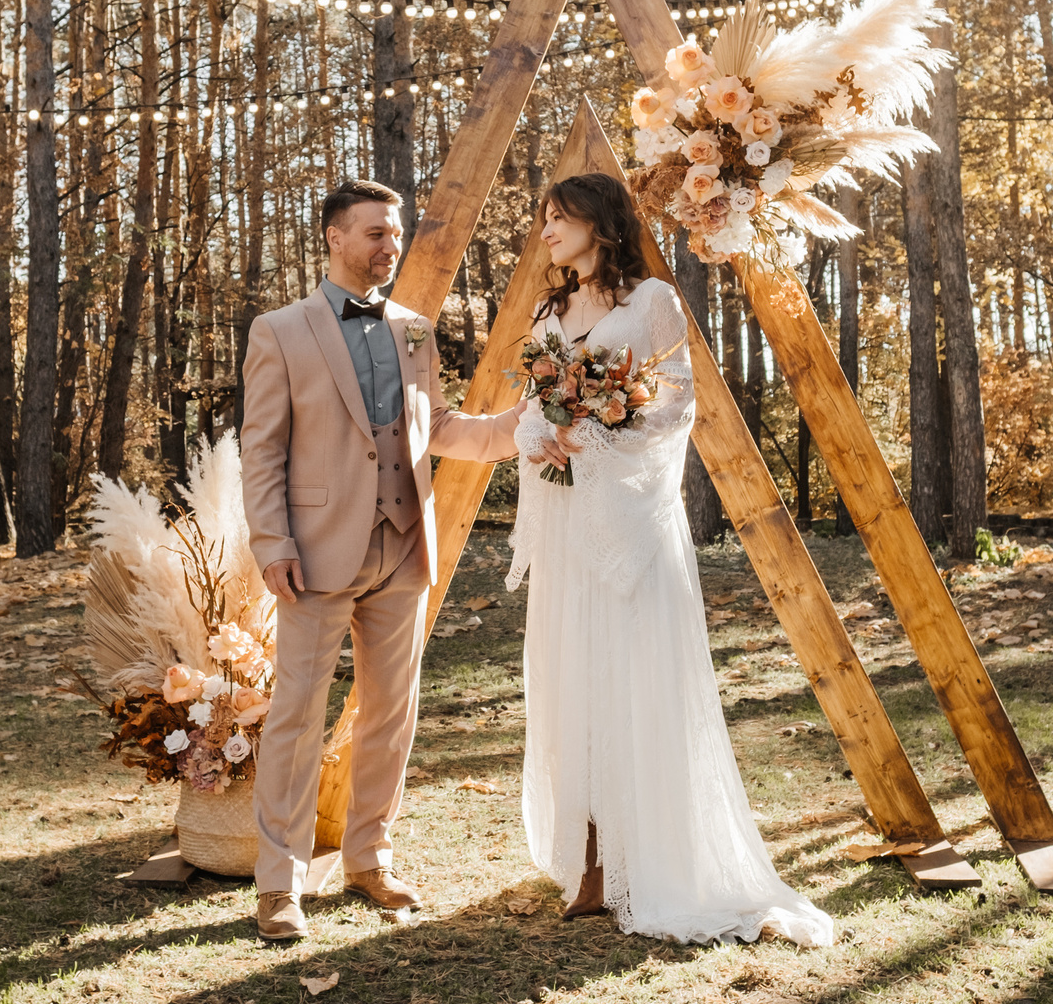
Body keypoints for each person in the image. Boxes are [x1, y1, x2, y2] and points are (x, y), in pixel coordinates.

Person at [508, 172, 835, 946]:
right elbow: (531, 407)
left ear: (599, 222)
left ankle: (649, 857)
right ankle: (587, 860)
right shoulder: (549, 312)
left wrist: (597, 430)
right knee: (573, 681)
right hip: (567, 525)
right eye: (545, 218)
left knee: (633, 680)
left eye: (560, 217)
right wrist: (543, 435)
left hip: (629, 520)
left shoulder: (651, 300)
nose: (548, 230)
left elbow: (676, 406)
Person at [239, 180, 524, 943]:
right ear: (334, 237)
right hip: (314, 555)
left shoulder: (414, 330)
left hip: (403, 546)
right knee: (296, 720)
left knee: (391, 715)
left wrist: (517, 428)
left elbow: (437, 428)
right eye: (373, 233)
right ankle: (280, 884)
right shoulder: (279, 330)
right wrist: (273, 543)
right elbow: (261, 449)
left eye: (393, 233)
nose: (388, 245)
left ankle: (370, 856)